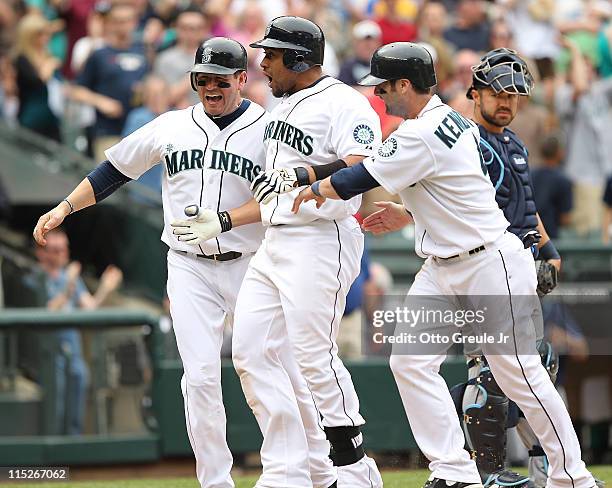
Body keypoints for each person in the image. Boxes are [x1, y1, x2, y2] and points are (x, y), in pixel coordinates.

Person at [33, 37, 337, 488]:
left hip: (251, 261)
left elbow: (290, 191)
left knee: (279, 370)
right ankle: (215, 481)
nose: (210, 88)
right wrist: (65, 207)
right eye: (202, 79)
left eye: (219, 80)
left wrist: (227, 220)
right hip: (189, 265)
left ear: (241, 79)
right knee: (197, 379)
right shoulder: (172, 125)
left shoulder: (271, 129)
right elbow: (115, 170)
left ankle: (316, 470)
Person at [290, 42, 597, 488]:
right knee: (410, 364)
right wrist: (410, 213)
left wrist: (314, 188)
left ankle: (574, 478)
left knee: (519, 372)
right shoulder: (445, 119)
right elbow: (455, 191)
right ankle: (454, 472)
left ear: (404, 84)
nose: (379, 95)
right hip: (443, 264)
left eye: (384, 87)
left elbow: (359, 177)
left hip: (489, 262)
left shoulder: (425, 130)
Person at [175, 16, 384, 488]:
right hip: (276, 238)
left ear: (300, 58)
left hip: (322, 236)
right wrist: (227, 220)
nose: (263, 62)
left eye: (271, 54)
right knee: (250, 353)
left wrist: (308, 175)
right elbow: (275, 188)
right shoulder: (278, 103)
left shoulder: (345, 102)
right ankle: (291, 470)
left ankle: (355, 469)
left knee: (313, 354)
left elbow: (366, 162)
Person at [30, 227, 122, 434]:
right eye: (55, 250)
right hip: (49, 355)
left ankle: (74, 457)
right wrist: (68, 283)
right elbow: (49, 310)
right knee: (55, 413)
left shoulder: (70, 278)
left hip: (74, 351)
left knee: (76, 412)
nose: (62, 254)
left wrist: (106, 287)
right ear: (42, 252)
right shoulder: (37, 277)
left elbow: (89, 308)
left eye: (64, 249)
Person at [70, 3, 149, 162]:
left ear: (135, 22)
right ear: (109, 23)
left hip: (138, 130)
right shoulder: (99, 54)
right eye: (118, 21)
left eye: (127, 21)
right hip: (107, 131)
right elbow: (76, 90)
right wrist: (101, 102)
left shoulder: (143, 52)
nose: (123, 26)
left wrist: (145, 91)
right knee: (108, 181)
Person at [13, 13, 62, 141]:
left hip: (50, 115)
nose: (45, 38)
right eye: (40, 34)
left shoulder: (46, 55)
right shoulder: (22, 59)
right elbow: (36, 82)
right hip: (30, 116)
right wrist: (48, 66)